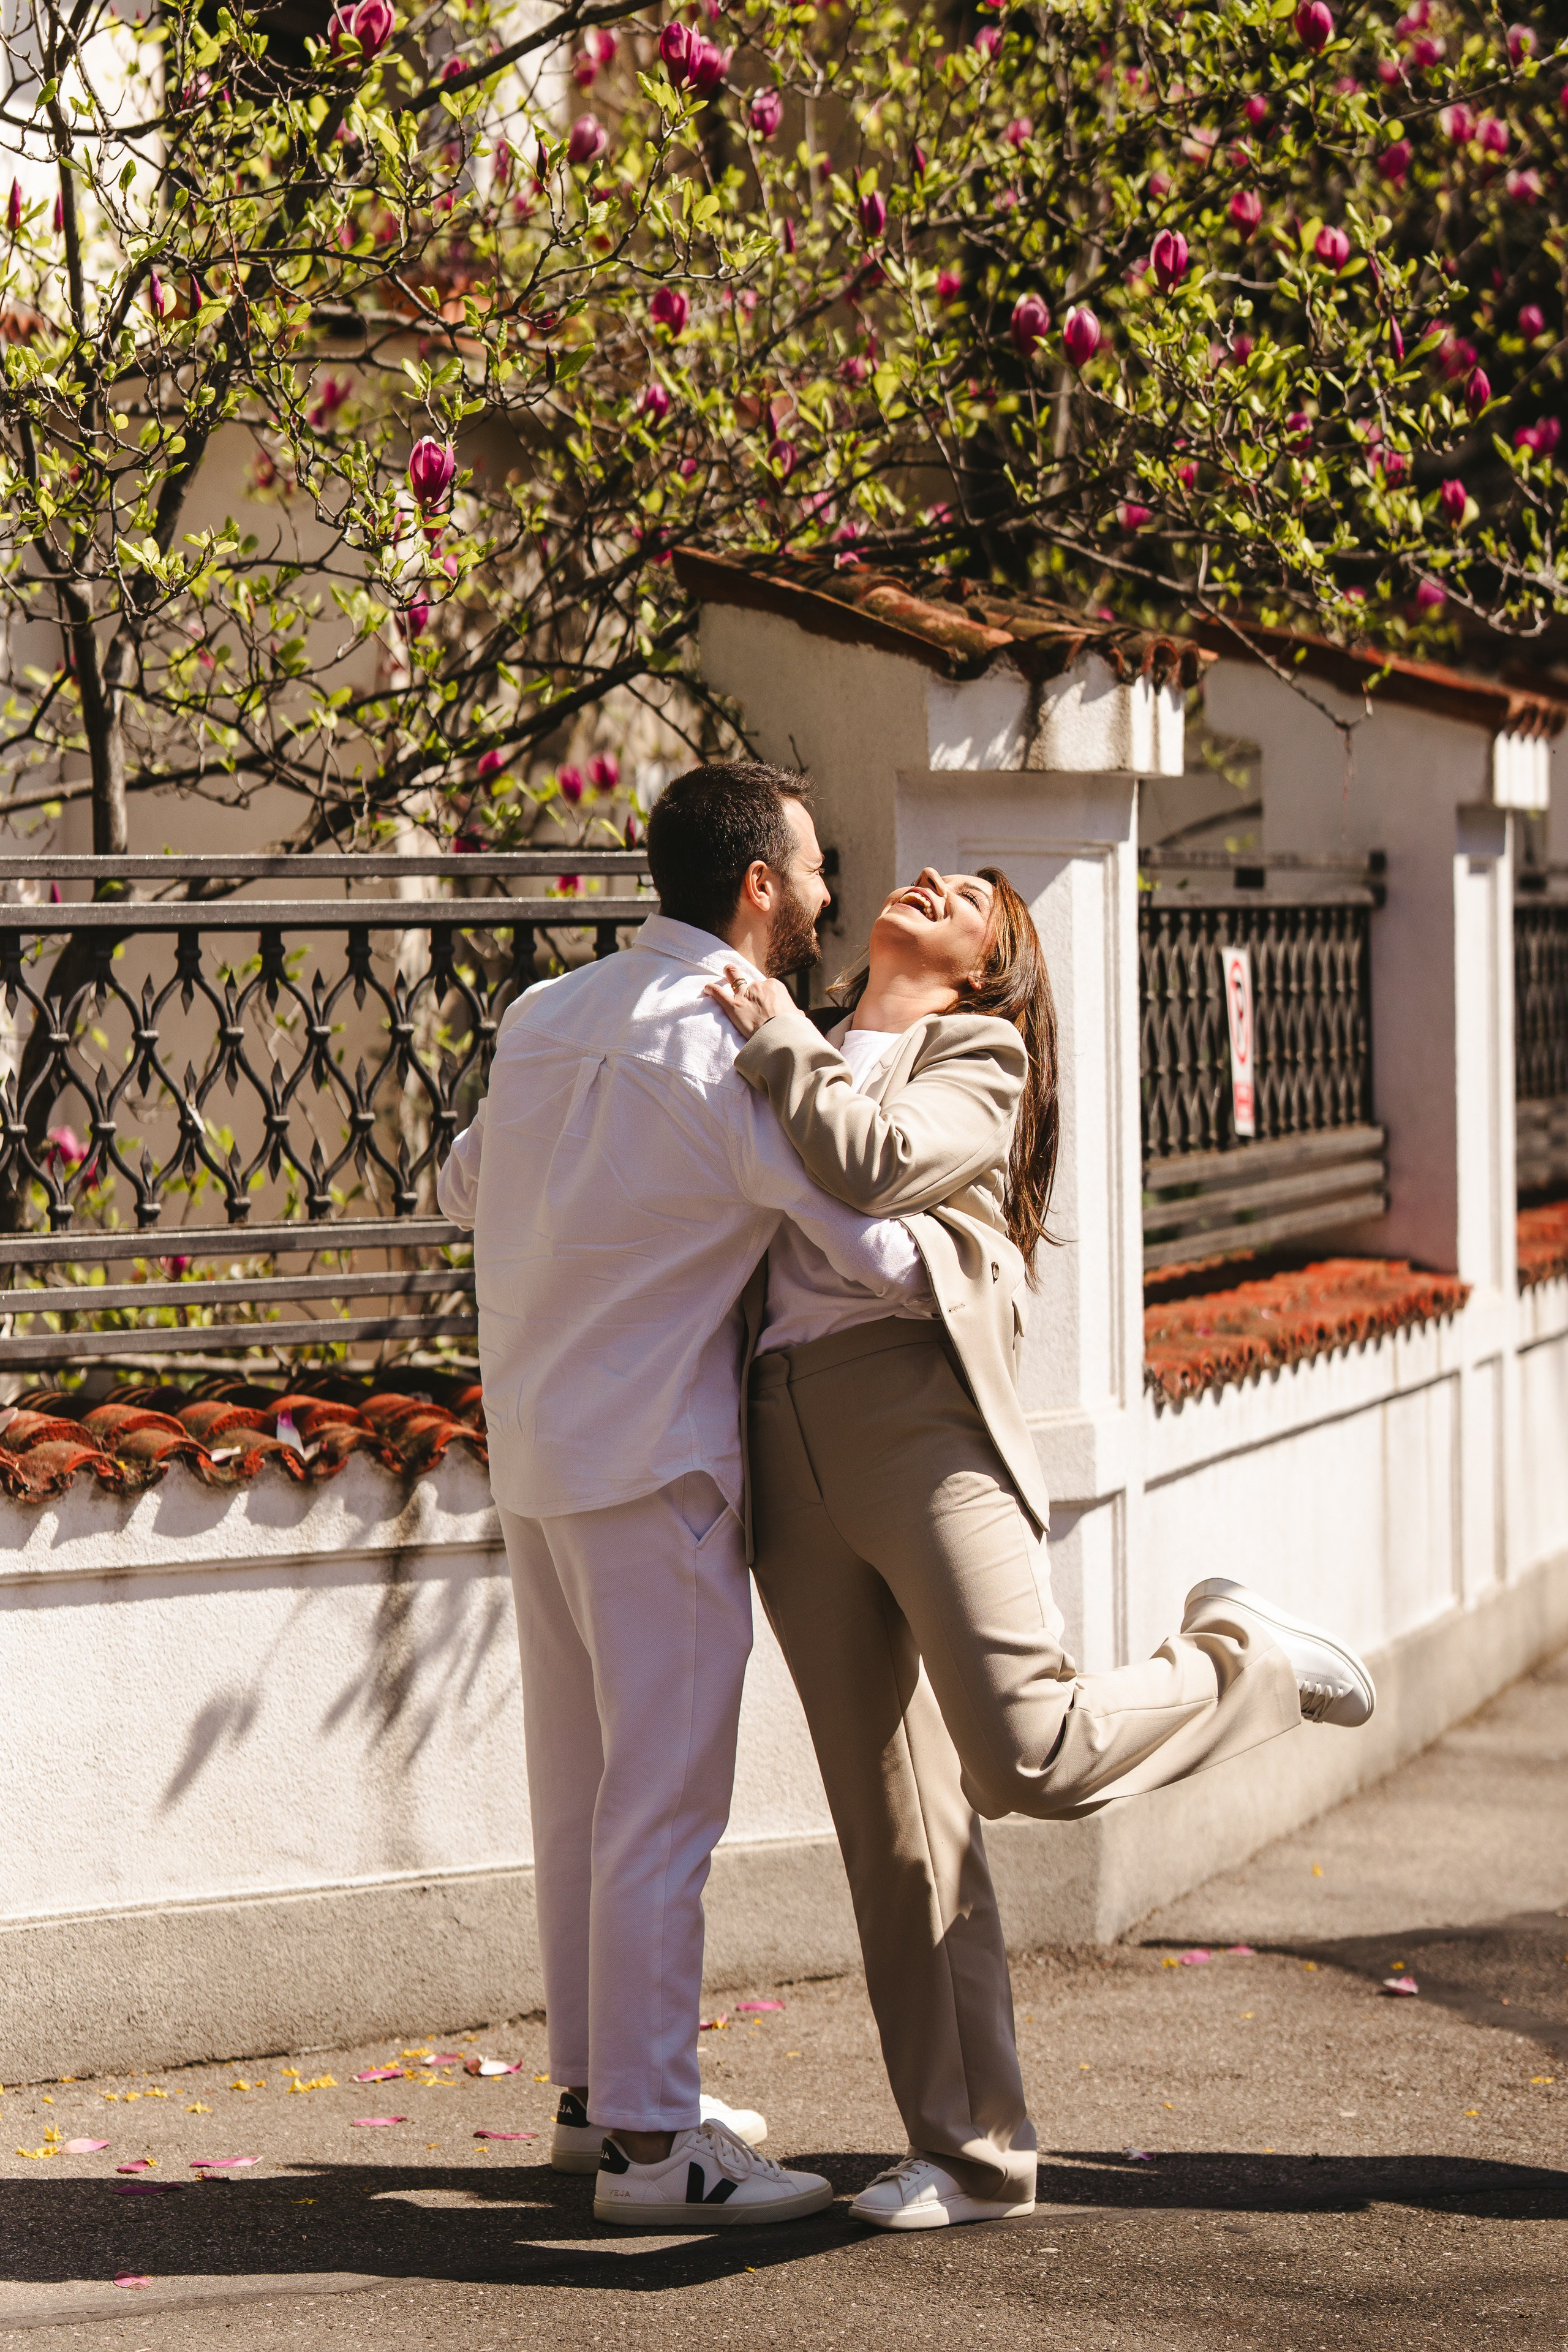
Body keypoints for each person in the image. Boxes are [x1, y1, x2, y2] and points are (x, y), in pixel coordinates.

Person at [704, 863, 1377, 2232]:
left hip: (915, 1418)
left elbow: (874, 1170)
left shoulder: (976, 1054)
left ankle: (1239, 1660)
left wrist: (774, 1047)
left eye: (976, 901)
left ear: (987, 966)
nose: (938, 877)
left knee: (1025, 1755)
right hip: (781, 1429)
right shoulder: (806, 1037)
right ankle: (968, 2156)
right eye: (935, 871)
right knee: (894, 1825)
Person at [436, 759, 938, 2229]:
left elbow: (465, 1186)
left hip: (533, 1457)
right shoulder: (735, 1049)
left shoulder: (546, 1014)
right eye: (813, 867)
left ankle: (601, 2100)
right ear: (757, 886)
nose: (832, 892)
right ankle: (658, 2154)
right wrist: (972, 1262)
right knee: (658, 1811)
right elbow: (869, 1254)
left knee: (583, 1801)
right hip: (657, 1470)